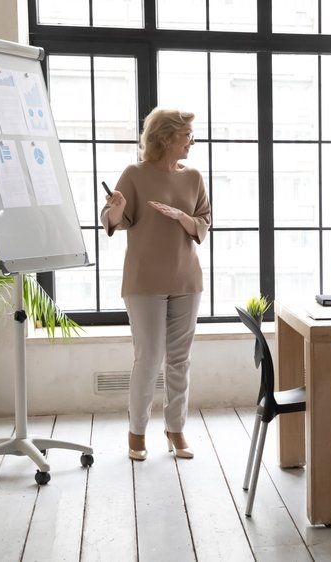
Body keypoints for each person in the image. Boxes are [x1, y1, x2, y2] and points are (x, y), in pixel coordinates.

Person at [102, 108, 211, 461]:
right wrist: (117, 208)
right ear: (166, 137)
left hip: (186, 279)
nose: (192, 141)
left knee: (180, 360)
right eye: (187, 135)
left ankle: (175, 430)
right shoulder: (134, 174)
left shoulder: (193, 176)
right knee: (148, 358)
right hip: (144, 281)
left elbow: (205, 222)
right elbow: (113, 220)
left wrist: (183, 217)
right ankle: (137, 432)